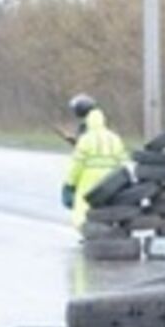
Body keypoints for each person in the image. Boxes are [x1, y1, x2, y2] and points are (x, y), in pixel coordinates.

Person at [62, 94, 127, 230]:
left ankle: (88, 232)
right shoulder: (114, 137)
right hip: (112, 180)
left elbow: (77, 163)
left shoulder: (86, 137)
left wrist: (69, 184)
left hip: (89, 180)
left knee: (82, 208)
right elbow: (123, 162)